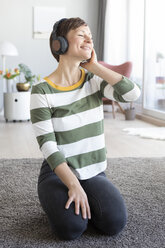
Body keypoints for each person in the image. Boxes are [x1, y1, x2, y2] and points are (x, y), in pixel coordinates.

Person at [30, 17, 140, 240]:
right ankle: (56, 201)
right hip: (58, 173)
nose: (89, 38)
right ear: (58, 44)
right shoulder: (41, 91)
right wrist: (73, 184)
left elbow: (132, 95)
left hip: (93, 171)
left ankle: (84, 201)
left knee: (114, 222)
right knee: (70, 229)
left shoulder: (94, 80)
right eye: (81, 34)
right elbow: (48, 146)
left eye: (90, 34)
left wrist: (96, 67)